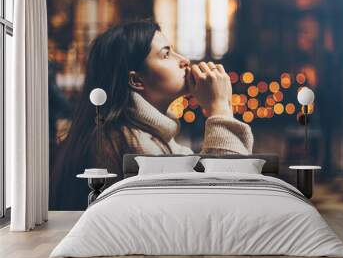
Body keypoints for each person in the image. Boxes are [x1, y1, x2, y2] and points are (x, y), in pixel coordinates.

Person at [51, 19, 254, 210]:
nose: (184, 60)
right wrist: (219, 108)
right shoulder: (129, 142)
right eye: (166, 54)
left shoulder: (144, 134)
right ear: (136, 80)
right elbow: (222, 198)